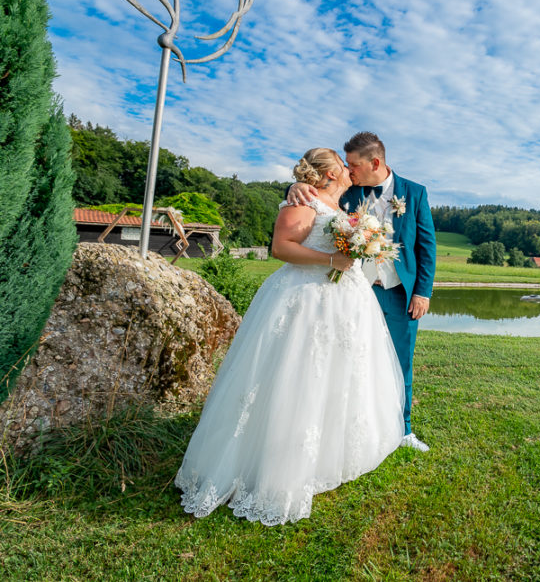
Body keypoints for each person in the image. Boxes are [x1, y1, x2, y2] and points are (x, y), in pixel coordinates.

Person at [175, 148, 405, 526]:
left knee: (337, 376)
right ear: (329, 175)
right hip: (306, 300)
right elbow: (281, 248)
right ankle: (275, 461)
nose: (351, 171)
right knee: (296, 375)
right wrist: (333, 260)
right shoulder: (302, 200)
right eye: (343, 166)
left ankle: (330, 454)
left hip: (343, 301)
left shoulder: (338, 204)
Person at [288, 132, 437, 452]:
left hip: (400, 293)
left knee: (401, 362)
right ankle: (355, 427)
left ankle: (403, 430)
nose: (349, 171)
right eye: (347, 166)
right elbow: (314, 198)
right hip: (355, 291)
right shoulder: (347, 190)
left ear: (376, 163)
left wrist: (422, 292)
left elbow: (427, 247)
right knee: (350, 360)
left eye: (354, 165)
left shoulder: (415, 193)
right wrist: (294, 186)